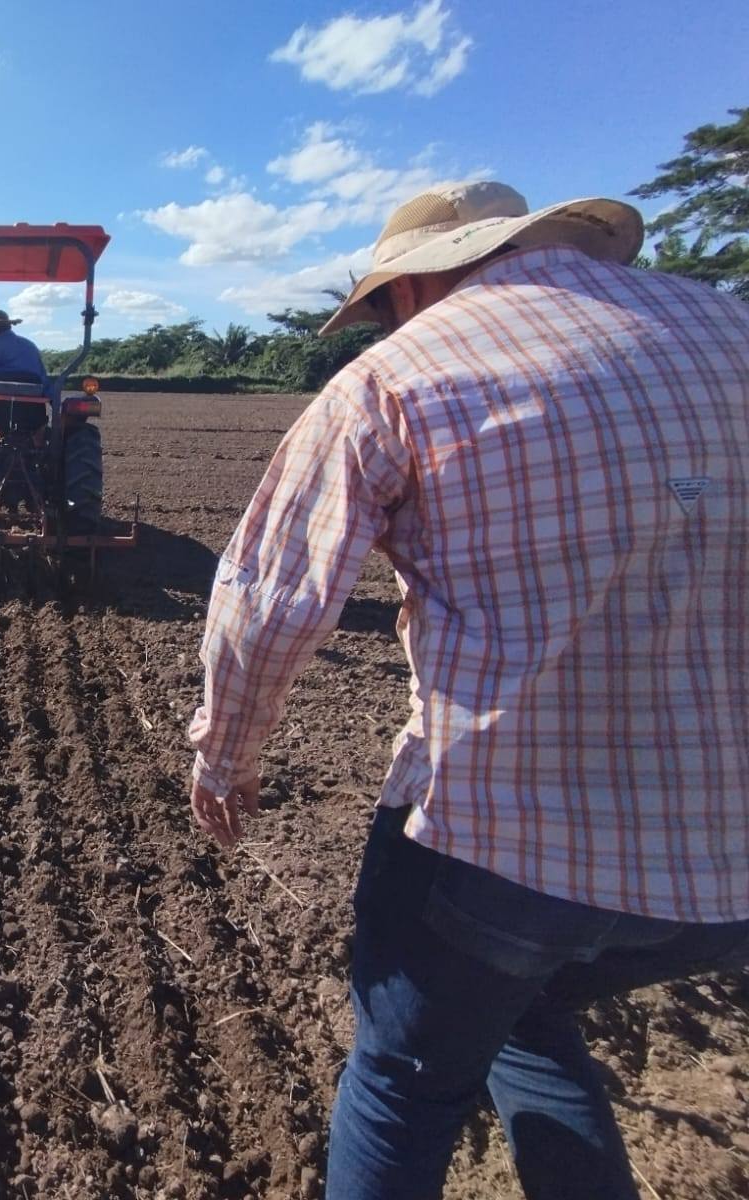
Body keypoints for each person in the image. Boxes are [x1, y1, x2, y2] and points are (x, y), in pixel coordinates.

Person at [183, 179, 749, 1200]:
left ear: (410, 287)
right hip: (728, 882)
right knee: (522, 1016)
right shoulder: (729, 322)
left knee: (403, 1081)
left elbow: (267, 601)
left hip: (504, 850)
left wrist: (225, 757)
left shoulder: (394, 376)